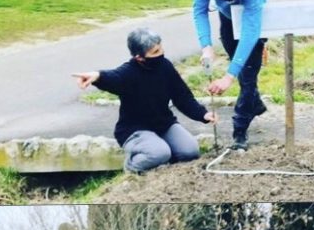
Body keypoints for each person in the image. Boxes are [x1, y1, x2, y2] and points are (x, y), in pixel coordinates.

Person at [74, 28, 216, 173]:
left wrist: (202, 114)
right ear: (139, 57)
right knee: (160, 153)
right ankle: (131, 168)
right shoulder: (129, 72)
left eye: (161, 48)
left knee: (189, 152)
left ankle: (164, 167)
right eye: (155, 52)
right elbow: (113, 78)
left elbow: (182, 96)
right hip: (134, 129)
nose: (161, 53)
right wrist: (97, 76)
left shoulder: (165, 66)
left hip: (164, 124)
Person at [194, 0, 267, 150]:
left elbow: (250, 31)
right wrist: (206, 46)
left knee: (247, 75)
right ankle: (254, 104)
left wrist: (228, 76)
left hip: (253, 16)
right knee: (244, 75)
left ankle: (239, 132)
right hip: (227, 18)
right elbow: (199, 10)